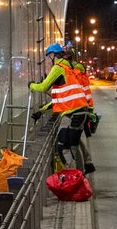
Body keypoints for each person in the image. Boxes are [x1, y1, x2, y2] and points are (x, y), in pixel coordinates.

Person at [29, 43, 95, 173]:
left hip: (73, 113)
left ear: (53, 55)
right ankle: (83, 170)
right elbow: (60, 99)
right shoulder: (69, 69)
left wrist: (31, 85)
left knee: (64, 145)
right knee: (73, 144)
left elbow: (43, 87)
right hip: (80, 111)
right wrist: (41, 111)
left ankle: (75, 176)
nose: (49, 60)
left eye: (49, 57)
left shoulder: (58, 68)